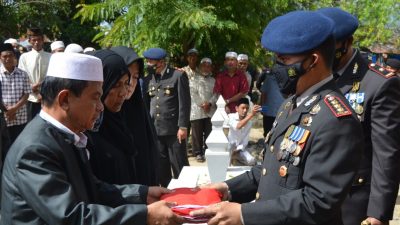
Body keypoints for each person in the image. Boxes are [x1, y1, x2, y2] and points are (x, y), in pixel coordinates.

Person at [190, 10, 363, 225]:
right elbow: (269, 170)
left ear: (313, 61)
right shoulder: (291, 104)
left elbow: (318, 202)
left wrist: (244, 215)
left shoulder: (336, 119)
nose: (276, 67)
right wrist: (228, 189)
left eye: (284, 59)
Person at [0, 52, 185, 225]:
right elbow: (71, 216)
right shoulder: (35, 149)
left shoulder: (66, 136)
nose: (100, 107)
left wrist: (142, 193)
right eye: (95, 98)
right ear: (64, 100)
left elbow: (92, 187)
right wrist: (145, 215)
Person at [317, 8, 400, 225]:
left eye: (329, 46)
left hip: (353, 202)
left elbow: (386, 154)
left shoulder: (378, 83)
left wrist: (377, 213)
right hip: (312, 197)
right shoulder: (317, 78)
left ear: (347, 42)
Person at [85, 49, 139, 185]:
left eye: (126, 83)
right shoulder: (86, 132)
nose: (123, 93)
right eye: (115, 85)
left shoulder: (120, 122)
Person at [111, 46, 160, 186]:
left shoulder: (138, 111)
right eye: (126, 77)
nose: (131, 84)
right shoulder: (98, 117)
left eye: (135, 77)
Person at [144, 47, 190, 187]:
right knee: (161, 167)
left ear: (161, 62)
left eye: (151, 62)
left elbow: (184, 103)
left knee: (179, 164)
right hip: (156, 130)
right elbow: (147, 105)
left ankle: (186, 191)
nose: (149, 65)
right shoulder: (148, 79)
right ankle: (167, 193)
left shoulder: (177, 75)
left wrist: (183, 126)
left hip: (174, 130)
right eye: (148, 61)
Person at [0, 43, 31, 145]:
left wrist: (14, 109)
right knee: (4, 147)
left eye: (10, 55)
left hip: (20, 117)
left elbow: (26, 94)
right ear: (0, 57)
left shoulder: (23, 74)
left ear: (14, 57)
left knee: (19, 145)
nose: (8, 58)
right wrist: (7, 111)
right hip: (3, 118)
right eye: (5, 56)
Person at [18, 28, 52, 120]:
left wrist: (40, 89)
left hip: (46, 97)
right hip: (30, 98)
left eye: (39, 40)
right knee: (30, 124)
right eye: (34, 40)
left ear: (43, 40)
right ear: (29, 41)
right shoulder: (24, 57)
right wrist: (34, 90)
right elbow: (22, 77)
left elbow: (51, 76)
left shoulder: (50, 57)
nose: (37, 42)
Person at [189, 57, 217, 162]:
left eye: (208, 66)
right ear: (200, 67)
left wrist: (209, 103)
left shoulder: (213, 80)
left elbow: (216, 94)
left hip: (210, 110)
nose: (206, 68)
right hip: (197, 110)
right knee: (197, 133)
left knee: (209, 132)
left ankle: (207, 151)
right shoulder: (193, 79)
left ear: (211, 68)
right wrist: (202, 104)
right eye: (204, 66)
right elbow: (193, 94)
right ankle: (198, 153)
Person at [227, 98, 260, 166]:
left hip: (239, 150)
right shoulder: (230, 117)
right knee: (226, 166)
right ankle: (233, 160)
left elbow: (245, 141)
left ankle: (235, 160)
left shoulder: (249, 122)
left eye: (247, 108)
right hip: (228, 149)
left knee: (252, 161)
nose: (245, 110)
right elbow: (238, 126)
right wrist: (251, 114)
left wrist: (238, 150)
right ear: (237, 108)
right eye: (243, 108)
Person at [259, 66, 285, 136]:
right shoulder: (269, 79)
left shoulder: (287, 81)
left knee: (277, 133)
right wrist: (262, 109)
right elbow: (263, 94)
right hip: (269, 112)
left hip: (281, 112)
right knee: (267, 132)